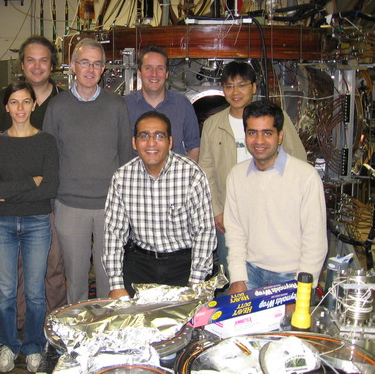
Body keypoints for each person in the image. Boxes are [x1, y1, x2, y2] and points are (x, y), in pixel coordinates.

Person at [43, 37, 132, 304]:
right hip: (69, 206)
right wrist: (52, 202)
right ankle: (77, 335)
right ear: (73, 66)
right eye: (84, 63)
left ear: (104, 68)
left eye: (96, 64)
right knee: (76, 279)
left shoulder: (117, 106)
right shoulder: (57, 107)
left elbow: (126, 157)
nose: (90, 70)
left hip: (110, 207)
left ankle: (107, 334)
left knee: (110, 278)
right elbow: (49, 157)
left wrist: (124, 203)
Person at [199, 61, 307, 279]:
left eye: (242, 85)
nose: (235, 92)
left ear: (254, 88)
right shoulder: (213, 124)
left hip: (274, 213)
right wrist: (217, 209)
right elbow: (206, 170)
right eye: (229, 86)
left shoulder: (276, 118)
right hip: (231, 215)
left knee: (273, 275)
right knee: (234, 276)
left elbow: (298, 162)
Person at [0, 35, 67, 326]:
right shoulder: (3, 102)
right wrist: (13, 189)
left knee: (53, 266)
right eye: (30, 60)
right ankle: (20, 325)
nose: (37, 66)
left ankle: (54, 325)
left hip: (54, 198)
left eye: (43, 59)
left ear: (52, 65)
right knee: (16, 270)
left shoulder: (65, 101)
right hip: (12, 203)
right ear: (22, 64)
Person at [0, 81, 59, 373]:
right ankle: (8, 343)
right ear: (6, 107)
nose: (20, 108)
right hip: (2, 223)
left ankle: (33, 345)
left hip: (37, 222)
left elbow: (50, 186)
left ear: (34, 105)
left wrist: (11, 190)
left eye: (26, 101)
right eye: (14, 102)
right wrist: (31, 182)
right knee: (4, 291)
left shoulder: (46, 142)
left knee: (35, 291)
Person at [103, 111, 216, 298]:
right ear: (134, 143)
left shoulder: (191, 175)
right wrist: (116, 283)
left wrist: (195, 283)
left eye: (159, 136)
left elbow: (204, 232)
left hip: (183, 265)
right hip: (140, 263)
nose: (151, 143)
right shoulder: (122, 178)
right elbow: (114, 233)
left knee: (186, 325)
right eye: (144, 136)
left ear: (170, 142)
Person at [224, 100, 327, 294]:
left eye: (267, 133)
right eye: (252, 132)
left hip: (292, 276)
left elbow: (315, 242)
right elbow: (235, 233)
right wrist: (237, 278)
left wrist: (301, 292)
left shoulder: (305, 176)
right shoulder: (236, 176)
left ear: (280, 136)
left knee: (287, 325)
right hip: (250, 273)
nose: (259, 141)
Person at [124, 45, 200, 161]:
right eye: (148, 68)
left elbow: (194, 146)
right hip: (136, 178)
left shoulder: (182, 104)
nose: (154, 74)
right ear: (139, 73)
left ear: (166, 74)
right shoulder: (124, 106)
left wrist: (187, 176)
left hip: (175, 177)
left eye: (160, 68)